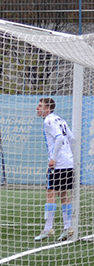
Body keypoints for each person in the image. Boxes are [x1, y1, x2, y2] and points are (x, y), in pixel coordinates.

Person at [35, 98, 75, 242]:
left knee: (50, 192)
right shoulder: (61, 120)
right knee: (64, 194)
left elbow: (59, 138)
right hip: (68, 162)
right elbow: (71, 138)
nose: (37, 108)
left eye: (40, 106)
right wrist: (71, 157)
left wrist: (53, 158)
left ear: (47, 109)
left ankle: (48, 228)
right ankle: (68, 227)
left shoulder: (49, 121)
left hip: (58, 164)